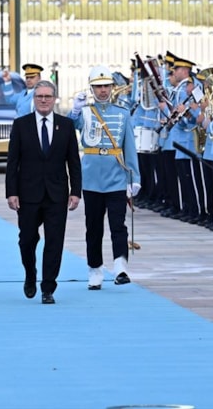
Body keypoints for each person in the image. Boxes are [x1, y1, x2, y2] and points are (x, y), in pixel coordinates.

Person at [5, 80, 82, 305]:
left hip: (57, 194)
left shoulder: (66, 125)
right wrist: (11, 192)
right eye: (40, 96)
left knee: (55, 241)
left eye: (48, 96)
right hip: (28, 193)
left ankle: (48, 287)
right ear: (34, 99)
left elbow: (73, 162)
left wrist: (75, 191)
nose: (44, 100)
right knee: (27, 240)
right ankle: (30, 273)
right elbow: (12, 162)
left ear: (55, 99)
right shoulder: (21, 125)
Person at [69, 66, 140, 290]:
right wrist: (75, 110)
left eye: (106, 86)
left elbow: (129, 148)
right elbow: (69, 127)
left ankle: (120, 267)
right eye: (98, 86)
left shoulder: (122, 113)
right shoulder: (86, 112)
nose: (103, 90)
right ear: (92, 88)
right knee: (93, 228)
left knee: (118, 225)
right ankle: (95, 269)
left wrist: (134, 177)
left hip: (116, 175)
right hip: (91, 178)